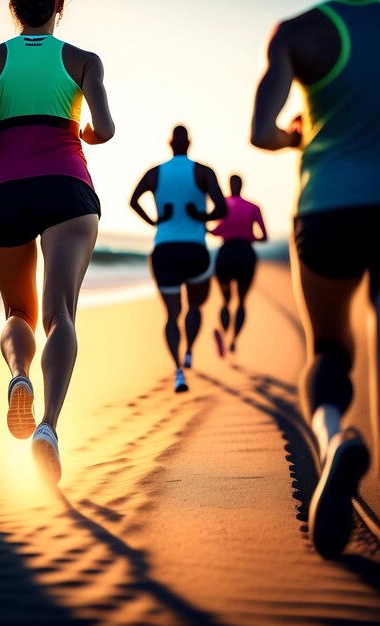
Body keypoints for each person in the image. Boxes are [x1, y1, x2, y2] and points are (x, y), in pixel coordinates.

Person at [0, 0, 115, 483]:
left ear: (13, 7)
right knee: (60, 315)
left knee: (18, 313)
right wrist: (83, 132)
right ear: (58, 6)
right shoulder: (83, 60)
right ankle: (47, 427)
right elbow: (105, 130)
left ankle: (19, 377)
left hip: (4, 192)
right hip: (66, 188)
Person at [250, 0, 379, 558]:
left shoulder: (301, 32)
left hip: (328, 208)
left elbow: (260, 131)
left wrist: (295, 136)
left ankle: (336, 438)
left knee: (327, 348)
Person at [130, 125, 226, 392]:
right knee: (194, 308)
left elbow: (133, 200)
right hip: (195, 249)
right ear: (190, 143)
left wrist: (155, 220)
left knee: (172, 316)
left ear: (170, 143)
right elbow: (222, 208)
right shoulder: (203, 172)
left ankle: (178, 371)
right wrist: (201, 217)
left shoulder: (155, 173)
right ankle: (190, 351)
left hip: (165, 250)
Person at [209, 174, 267, 356]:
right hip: (246, 255)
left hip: (226, 254)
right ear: (242, 186)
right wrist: (249, 236)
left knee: (226, 300)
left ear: (229, 185)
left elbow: (215, 231)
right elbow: (264, 236)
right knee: (242, 301)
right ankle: (234, 340)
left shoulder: (222, 206)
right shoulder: (253, 207)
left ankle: (224, 333)